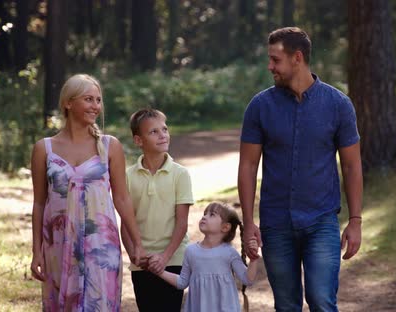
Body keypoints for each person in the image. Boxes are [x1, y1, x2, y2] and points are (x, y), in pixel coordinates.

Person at [238, 27, 364, 311]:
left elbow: (352, 165)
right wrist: (248, 222)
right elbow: (247, 165)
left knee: (321, 300)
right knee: (286, 305)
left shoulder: (338, 105)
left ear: (297, 58)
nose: (270, 67)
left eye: (275, 60)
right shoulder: (259, 107)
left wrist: (355, 220)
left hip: (321, 221)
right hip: (276, 223)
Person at [30, 74, 145, 311]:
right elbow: (40, 203)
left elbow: (122, 198)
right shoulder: (44, 149)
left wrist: (138, 244)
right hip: (59, 245)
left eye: (99, 100)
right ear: (68, 103)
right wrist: (36, 251)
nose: (95, 106)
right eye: (88, 99)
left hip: (101, 246)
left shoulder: (109, 146)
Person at [121, 108, 194, 312]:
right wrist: (134, 254)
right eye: (153, 132)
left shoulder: (180, 174)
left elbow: (181, 222)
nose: (162, 135)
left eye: (165, 129)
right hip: (141, 262)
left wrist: (164, 257)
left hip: (174, 259)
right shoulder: (127, 176)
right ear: (138, 140)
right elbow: (126, 222)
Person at [156, 202, 259, 312]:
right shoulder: (191, 251)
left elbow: (247, 279)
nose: (204, 217)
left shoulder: (229, 252)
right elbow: (182, 282)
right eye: (204, 214)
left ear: (225, 227)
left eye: (212, 214)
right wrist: (159, 271)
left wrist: (253, 260)